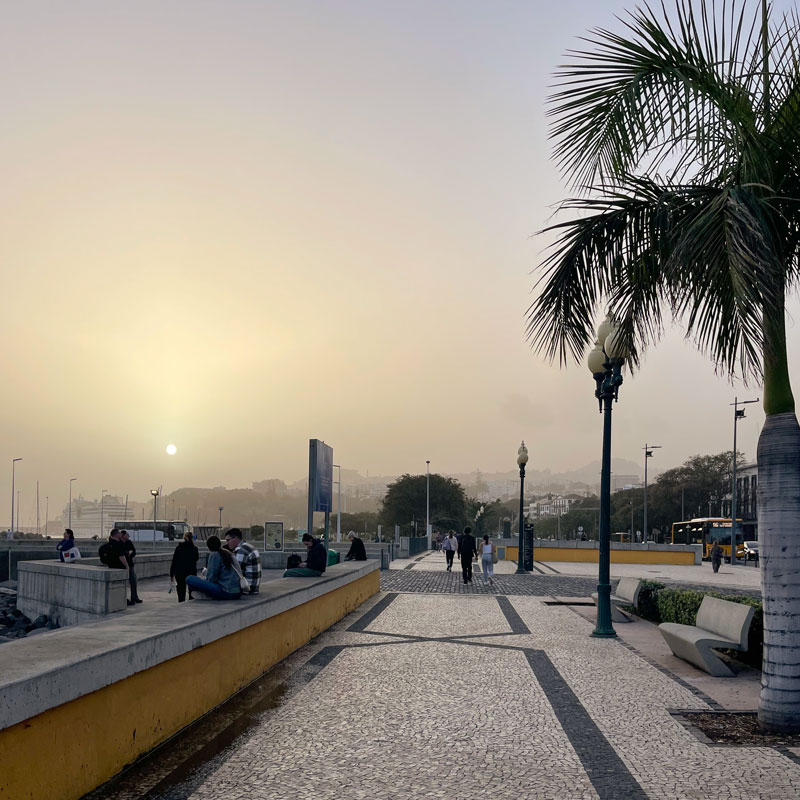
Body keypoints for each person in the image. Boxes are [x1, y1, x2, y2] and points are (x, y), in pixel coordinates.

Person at [185, 536, 242, 600]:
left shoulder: (214, 554)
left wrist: (206, 573)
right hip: (237, 593)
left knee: (189, 578)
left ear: (209, 546)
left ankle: (207, 595)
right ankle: (207, 595)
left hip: (226, 592)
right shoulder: (228, 553)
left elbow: (211, 578)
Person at [99, 529, 136, 606]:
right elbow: (121, 557)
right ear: (116, 535)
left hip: (111, 567)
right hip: (120, 567)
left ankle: (120, 600)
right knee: (122, 586)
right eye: (119, 533)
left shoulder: (108, 545)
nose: (121, 534)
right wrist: (127, 567)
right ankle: (123, 601)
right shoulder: (118, 544)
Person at [224, 528, 262, 594]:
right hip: (253, 587)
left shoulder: (242, 550)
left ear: (235, 538)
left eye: (228, 540)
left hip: (246, 589)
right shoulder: (248, 546)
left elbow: (235, 571)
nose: (227, 543)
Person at [170, 530, 200, 602]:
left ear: (184, 538)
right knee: (192, 591)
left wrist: (172, 574)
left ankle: (181, 603)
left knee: (181, 591)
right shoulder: (194, 548)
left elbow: (174, 561)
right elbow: (196, 558)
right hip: (191, 572)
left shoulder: (179, 548)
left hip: (180, 572)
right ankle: (191, 603)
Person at [119, 530, 142, 604]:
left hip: (130, 565)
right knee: (123, 583)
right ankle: (124, 599)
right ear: (122, 535)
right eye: (127, 535)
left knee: (134, 581)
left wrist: (130, 556)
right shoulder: (119, 543)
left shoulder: (129, 542)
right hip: (122, 566)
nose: (128, 536)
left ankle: (134, 597)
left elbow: (133, 551)